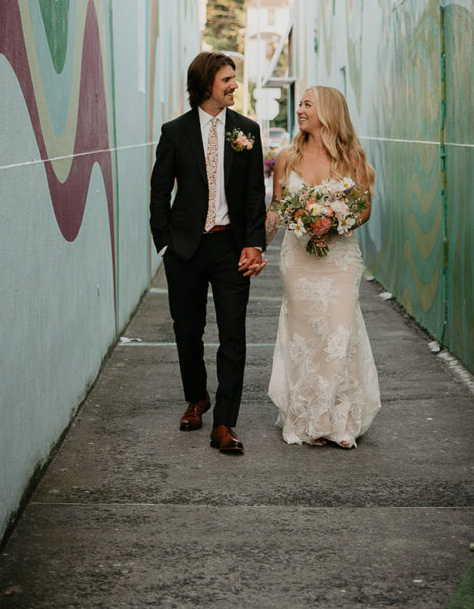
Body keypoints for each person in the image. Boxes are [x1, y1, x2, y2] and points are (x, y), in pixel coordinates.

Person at [149, 52, 266, 455]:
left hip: (230, 246)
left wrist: (255, 243)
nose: (234, 85)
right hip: (184, 247)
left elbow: (254, 194)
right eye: (227, 80)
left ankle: (224, 423)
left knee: (233, 335)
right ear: (205, 86)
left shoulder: (246, 130)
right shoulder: (175, 132)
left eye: (234, 79)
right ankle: (197, 398)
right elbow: (159, 191)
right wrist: (163, 242)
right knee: (187, 330)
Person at [266, 86, 381, 448]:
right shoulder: (287, 158)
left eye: (307, 105)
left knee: (338, 334)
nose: (300, 110)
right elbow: (277, 207)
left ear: (328, 112)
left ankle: (340, 421)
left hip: (340, 260)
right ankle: (307, 419)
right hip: (298, 260)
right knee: (305, 337)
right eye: (299, 104)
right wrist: (257, 247)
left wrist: (334, 222)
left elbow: (363, 210)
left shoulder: (352, 159)